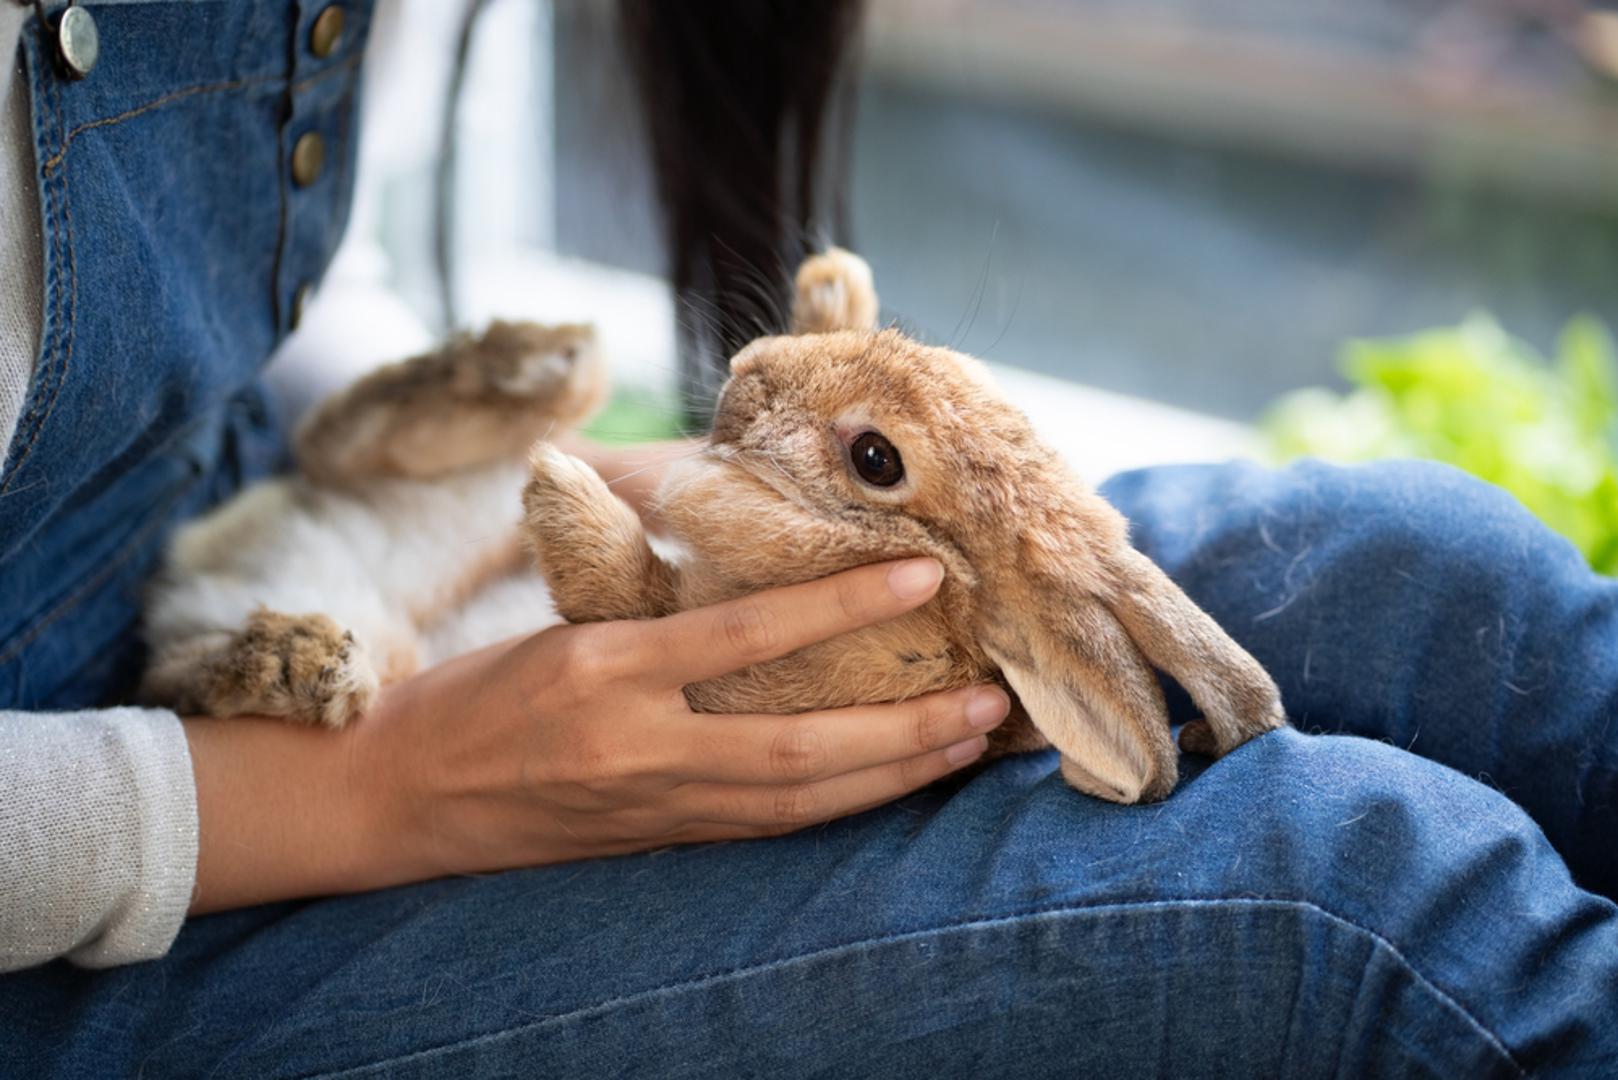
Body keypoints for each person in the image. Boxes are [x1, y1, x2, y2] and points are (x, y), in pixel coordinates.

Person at [0, 3, 1614, 1077]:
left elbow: (268, 300)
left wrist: (543, 480)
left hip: (323, 542)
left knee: (1423, 579)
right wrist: (383, 792)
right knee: (1340, 896)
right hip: (110, 875)